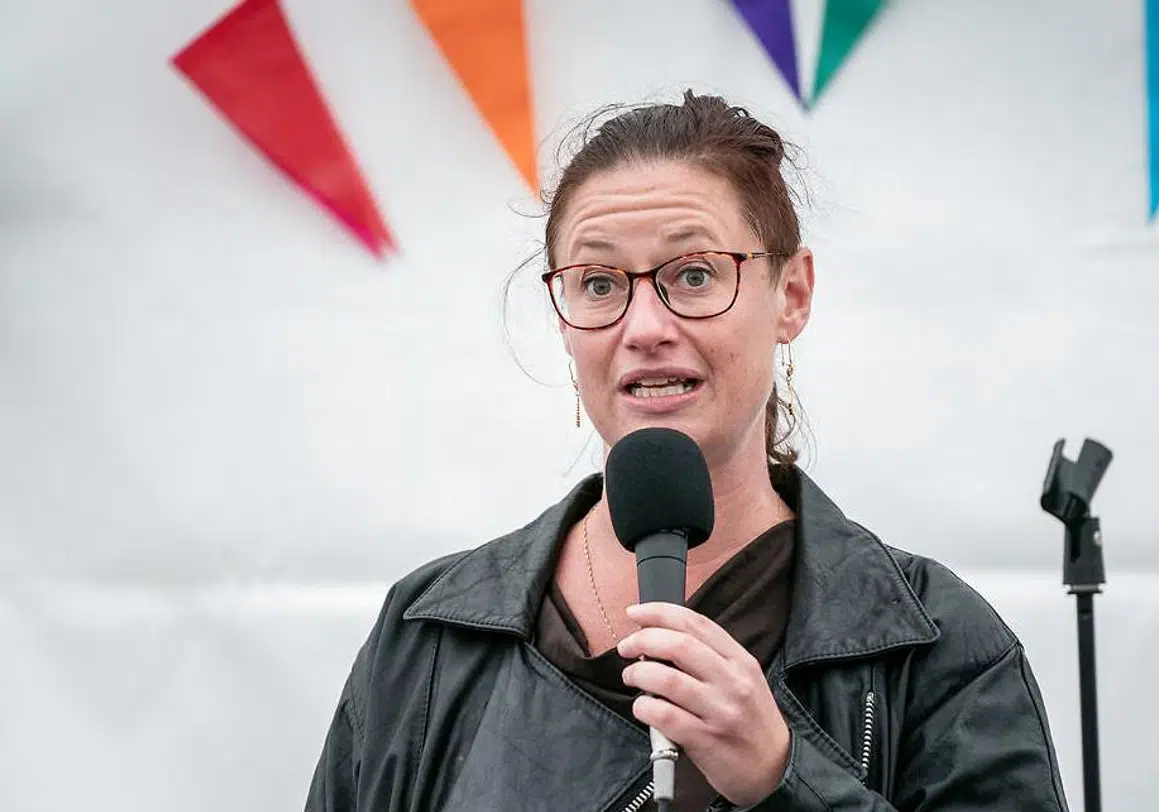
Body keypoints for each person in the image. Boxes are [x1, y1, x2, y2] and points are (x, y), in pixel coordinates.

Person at [305, 90, 1069, 812]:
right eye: (598, 283)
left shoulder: (933, 643)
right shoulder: (430, 635)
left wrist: (783, 777)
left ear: (792, 294)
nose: (643, 327)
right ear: (565, 321)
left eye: (694, 274)